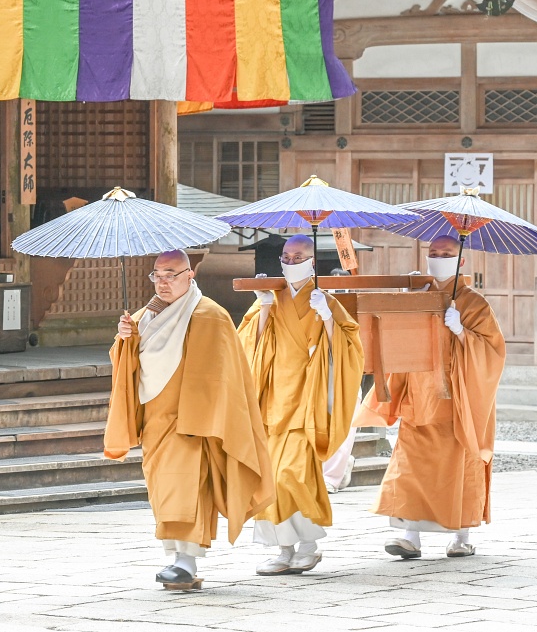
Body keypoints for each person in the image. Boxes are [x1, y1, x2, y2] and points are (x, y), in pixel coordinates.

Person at [104, 250, 275, 586]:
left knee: (189, 487)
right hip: (155, 418)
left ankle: (186, 563)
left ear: (190, 275)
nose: (163, 282)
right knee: (165, 488)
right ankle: (179, 560)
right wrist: (124, 339)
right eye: (157, 275)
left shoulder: (210, 315)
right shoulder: (141, 317)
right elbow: (127, 367)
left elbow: (226, 374)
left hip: (194, 419)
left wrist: (209, 416)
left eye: (171, 274)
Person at [354, 234, 505, 559]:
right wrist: (411, 305)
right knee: (411, 463)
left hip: (458, 400)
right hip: (418, 394)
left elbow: (493, 352)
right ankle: (410, 536)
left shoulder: (474, 303)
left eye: (446, 253)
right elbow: (395, 339)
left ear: (460, 260)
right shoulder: (417, 295)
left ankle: (461, 536)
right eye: (433, 252)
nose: (438, 257)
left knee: (458, 465)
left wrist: (462, 330)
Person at [237, 235, 364, 575]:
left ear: (312, 261)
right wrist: (263, 308)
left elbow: (350, 349)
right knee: (269, 479)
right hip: (273, 397)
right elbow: (250, 346)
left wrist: (326, 317)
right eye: (287, 257)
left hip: (308, 396)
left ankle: (307, 545)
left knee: (291, 475)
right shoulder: (271, 296)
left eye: (299, 256)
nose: (292, 262)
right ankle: (284, 550)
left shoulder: (327, 300)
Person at [323, 268, 357, 494]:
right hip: (320, 364)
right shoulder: (318, 299)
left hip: (348, 365)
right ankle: (339, 467)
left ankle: (332, 476)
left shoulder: (355, 303)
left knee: (345, 421)